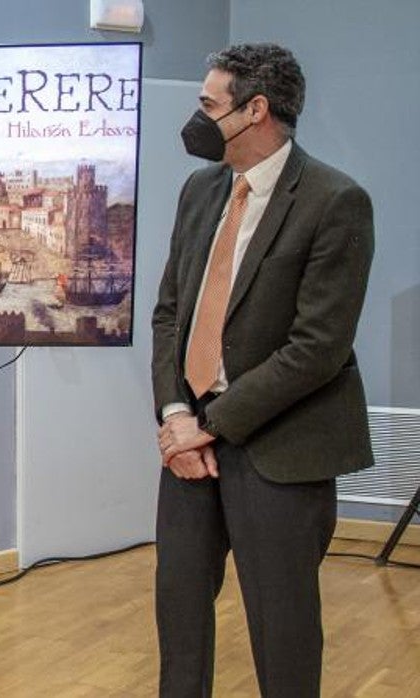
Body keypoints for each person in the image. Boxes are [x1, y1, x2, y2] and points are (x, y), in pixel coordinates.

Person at [151, 44, 373, 696]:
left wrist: (209, 425)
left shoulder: (336, 201)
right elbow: (171, 315)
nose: (197, 119)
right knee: (179, 618)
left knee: (284, 633)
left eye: (208, 106)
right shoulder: (200, 190)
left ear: (255, 110)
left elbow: (317, 348)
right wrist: (175, 416)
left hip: (280, 448)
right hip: (189, 445)